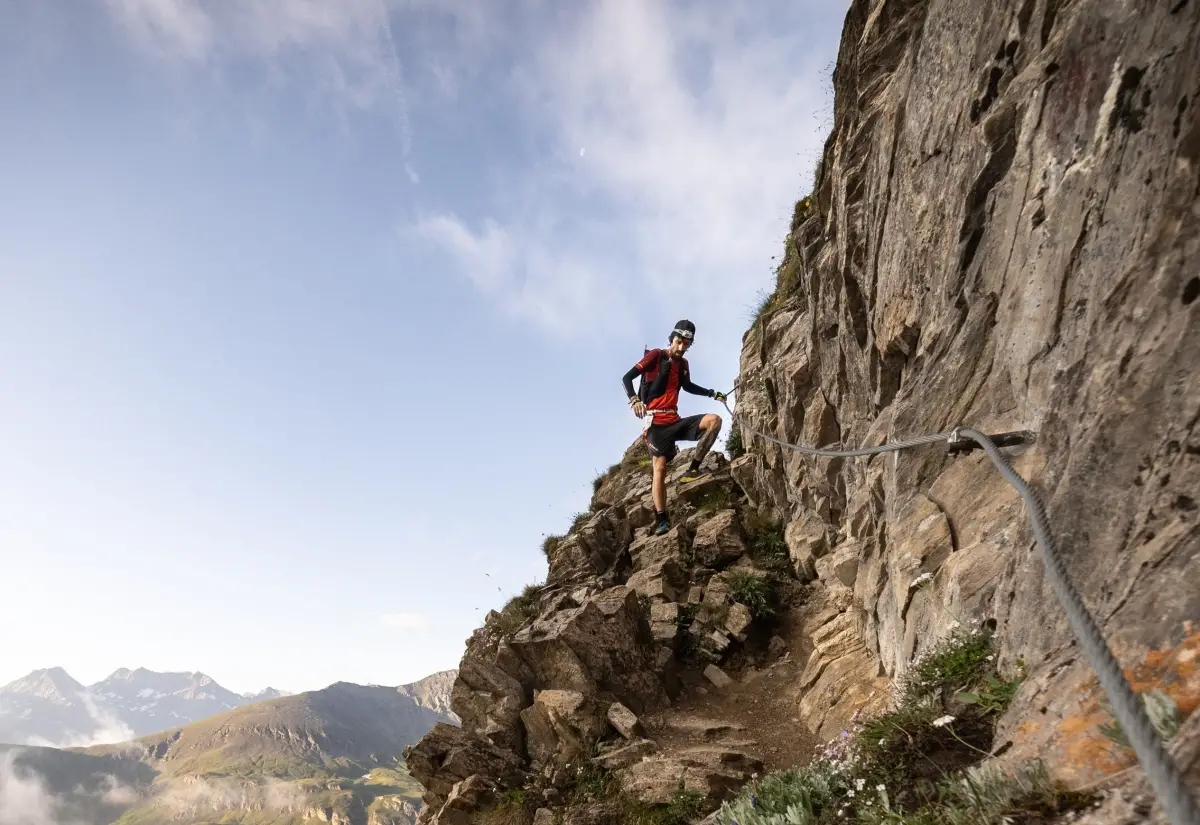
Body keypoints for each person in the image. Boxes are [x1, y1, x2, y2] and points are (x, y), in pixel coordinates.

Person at [621, 319, 727, 535]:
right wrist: (634, 400)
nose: (681, 348)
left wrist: (712, 393)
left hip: (674, 420)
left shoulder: (683, 365)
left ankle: (693, 469)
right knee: (659, 468)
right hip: (656, 424)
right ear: (672, 339)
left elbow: (687, 386)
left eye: (686, 345)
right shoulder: (656, 355)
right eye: (678, 342)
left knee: (714, 421)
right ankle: (662, 519)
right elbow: (627, 377)